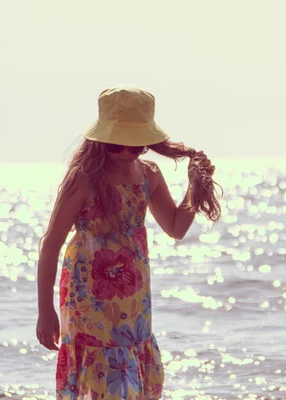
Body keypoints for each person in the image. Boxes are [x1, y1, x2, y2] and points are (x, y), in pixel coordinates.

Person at [36, 85, 221, 399]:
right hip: (89, 295)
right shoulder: (84, 178)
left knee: (131, 373)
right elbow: (51, 243)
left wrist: (195, 186)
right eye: (118, 145)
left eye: (136, 147)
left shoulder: (149, 174)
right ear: (102, 140)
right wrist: (45, 310)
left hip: (133, 295)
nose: (126, 153)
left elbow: (176, 228)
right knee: (105, 381)